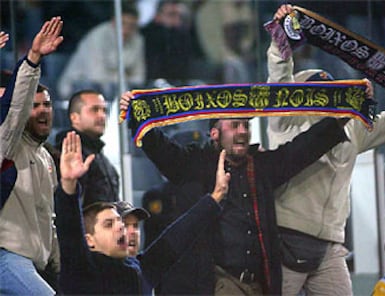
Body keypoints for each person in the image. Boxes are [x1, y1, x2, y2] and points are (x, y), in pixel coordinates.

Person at [121, 89, 353, 294]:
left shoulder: (260, 166)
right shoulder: (194, 164)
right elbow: (162, 149)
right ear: (214, 133)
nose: (242, 131)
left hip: (260, 284)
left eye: (246, 125)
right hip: (219, 283)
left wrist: (338, 121)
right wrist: (137, 114)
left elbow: (300, 150)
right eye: (234, 125)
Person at [266, 4, 385, 296]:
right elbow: (279, 77)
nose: (326, 96)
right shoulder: (285, 118)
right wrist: (279, 39)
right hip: (285, 238)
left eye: (331, 91)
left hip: (330, 247)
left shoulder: (352, 127)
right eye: (318, 91)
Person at [55, 131, 231, 294]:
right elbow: (69, 233)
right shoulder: (81, 271)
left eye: (120, 222)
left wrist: (216, 196)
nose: (121, 228)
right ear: (89, 241)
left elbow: (180, 234)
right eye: (109, 224)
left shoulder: (142, 269)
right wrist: (68, 185)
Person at [0, 17, 63, 295]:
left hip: (33, 262)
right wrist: (33, 59)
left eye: (46, 105)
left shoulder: (46, 157)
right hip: (6, 257)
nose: (40, 111)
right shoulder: (9, 144)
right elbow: (13, 113)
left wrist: (58, 265)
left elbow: (48, 219)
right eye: (33, 105)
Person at [57, 0, 145, 100]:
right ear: (113, 21)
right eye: (123, 23)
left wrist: (119, 77)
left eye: (131, 25)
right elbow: (96, 76)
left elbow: (139, 78)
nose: (126, 30)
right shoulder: (97, 36)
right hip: (79, 87)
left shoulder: (138, 40)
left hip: (115, 91)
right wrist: (125, 74)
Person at [55, 89, 120, 207]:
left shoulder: (102, 158)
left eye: (104, 110)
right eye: (94, 110)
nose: (102, 116)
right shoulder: (63, 155)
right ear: (75, 117)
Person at [141, 0, 202, 84]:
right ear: (157, 16)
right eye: (171, 15)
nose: (177, 20)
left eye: (180, 16)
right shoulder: (147, 37)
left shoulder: (184, 37)